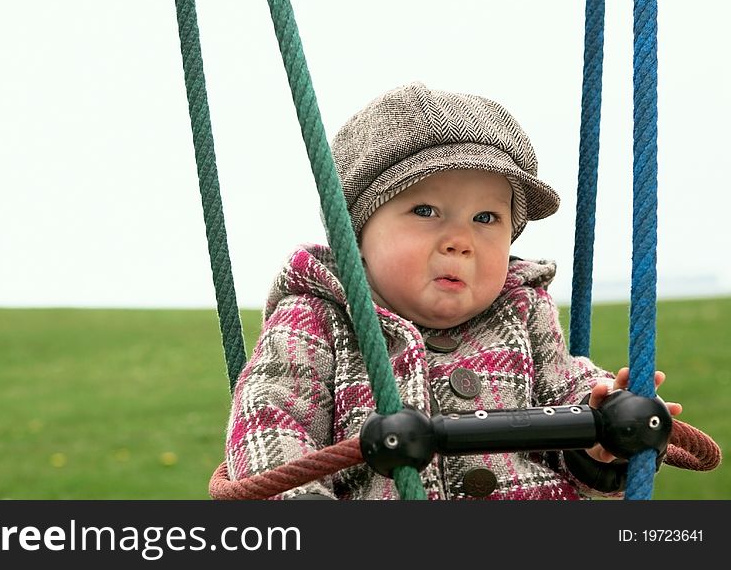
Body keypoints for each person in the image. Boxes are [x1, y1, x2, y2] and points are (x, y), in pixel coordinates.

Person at [223, 81, 681, 500]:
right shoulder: (316, 317)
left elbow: (566, 390)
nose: (460, 240)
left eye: (486, 219)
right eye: (425, 210)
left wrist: (605, 422)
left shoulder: (520, 309)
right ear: (355, 234)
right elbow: (268, 421)